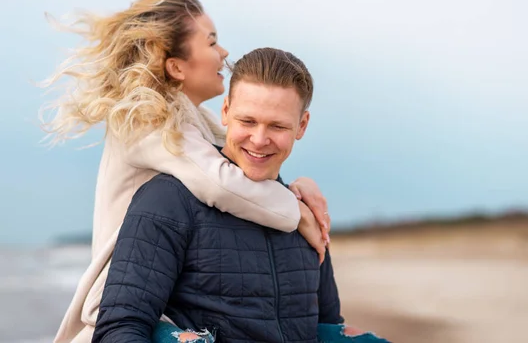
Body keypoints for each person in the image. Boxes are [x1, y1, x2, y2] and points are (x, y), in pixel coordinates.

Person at [40, 0, 331, 343]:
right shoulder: (146, 121)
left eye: (279, 126)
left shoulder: (196, 122)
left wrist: (298, 185)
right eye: (211, 42)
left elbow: (243, 157)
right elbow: (221, 182)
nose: (224, 53)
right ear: (176, 66)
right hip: (123, 302)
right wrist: (296, 212)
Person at [92, 48, 389, 343]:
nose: (259, 140)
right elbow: (119, 329)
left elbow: (328, 326)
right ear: (225, 112)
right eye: (248, 121)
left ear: (302, 125)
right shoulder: (169, 201)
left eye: (277, 126)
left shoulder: (304, 216)